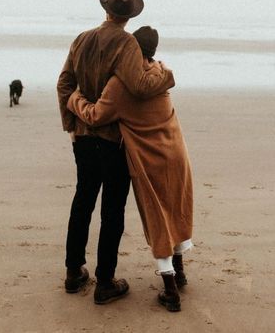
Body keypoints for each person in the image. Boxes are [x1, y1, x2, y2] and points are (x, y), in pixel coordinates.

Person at [57, 0, 174, 305]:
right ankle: (105, 281)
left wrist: (71, 125)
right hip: (113, 139)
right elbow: (137, 86)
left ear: (105, 9)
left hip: (82, 135)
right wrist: (165, 75)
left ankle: (73, 272)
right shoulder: (126, 43)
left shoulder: (82, 38)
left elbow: (65, 83)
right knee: (112, 210)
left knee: (82, 201)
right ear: (129, 14)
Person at [68, 25, 193, 313]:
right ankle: (180, 269)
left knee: (156, 216)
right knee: (175, 208)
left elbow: (96, 115)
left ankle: (171, 289)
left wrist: (75, 99)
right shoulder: (161, 72)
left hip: (148, 159)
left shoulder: (122, 84)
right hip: (175, 151)